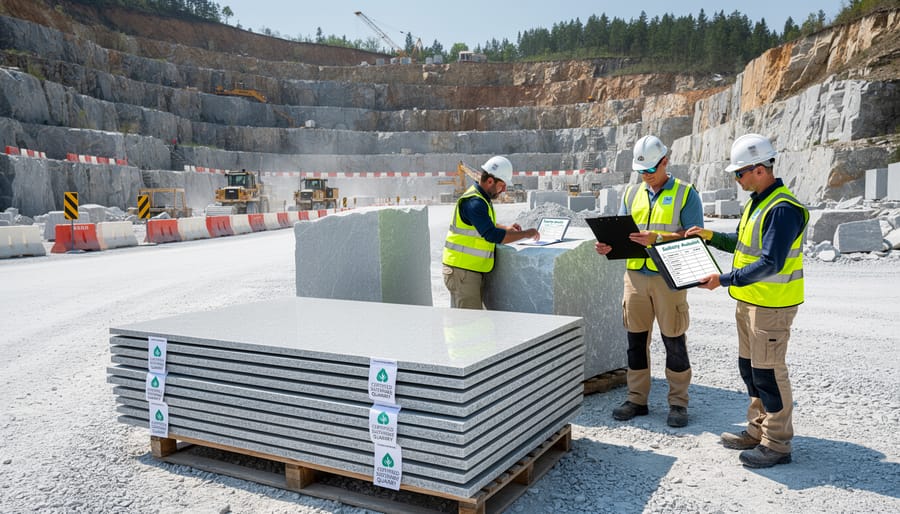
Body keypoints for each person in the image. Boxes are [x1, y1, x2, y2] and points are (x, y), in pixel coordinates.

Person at [686, 133, 808, 468]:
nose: (736, 179)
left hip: (772, 305)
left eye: (739, 173)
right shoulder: (758, 202)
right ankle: (758, 430)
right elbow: (741, 246)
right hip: (749, 301)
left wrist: (721, 280)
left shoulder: (782, 209)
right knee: (751, 371)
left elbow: (771, 262)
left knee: (769, 374)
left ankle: (777, 443)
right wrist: (708, 236)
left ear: (759, 169)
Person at [595, 135, 704, 428]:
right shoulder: (632, 194)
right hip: (634, 277)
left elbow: (696, 236)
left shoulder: (686, 193)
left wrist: (659, 238)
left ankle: (678, 403)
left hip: (668, 278)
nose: (645, 176)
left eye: (650, 170)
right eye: (641, 171)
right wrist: (609, 245)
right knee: (635, 341)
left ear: (665, 162)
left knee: (674, 340)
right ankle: (636, 399)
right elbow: (621, 232)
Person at [442, 156, 539, 309]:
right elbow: (491, 235)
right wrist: (527, 233)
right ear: (490, 181)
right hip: (462, 272)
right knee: (468, 325)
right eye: (502, 185)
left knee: (473, 323)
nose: (504, 190)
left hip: (467, 270)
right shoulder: (474, 202)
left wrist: (506, 229)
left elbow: (484, 226)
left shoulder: (480, 198)